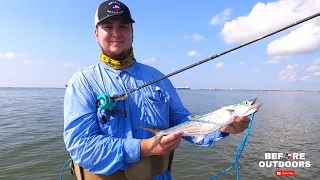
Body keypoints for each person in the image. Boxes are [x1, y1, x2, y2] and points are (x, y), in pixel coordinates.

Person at [63, 0, 251, 179]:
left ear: (132, 32)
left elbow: (183, 122)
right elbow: (82, 146)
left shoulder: (158, 78)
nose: (116, 32)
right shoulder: (83, 83)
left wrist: (221, 127)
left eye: (123, 26)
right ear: (96, 34)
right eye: (108, 26)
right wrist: (144, 147)